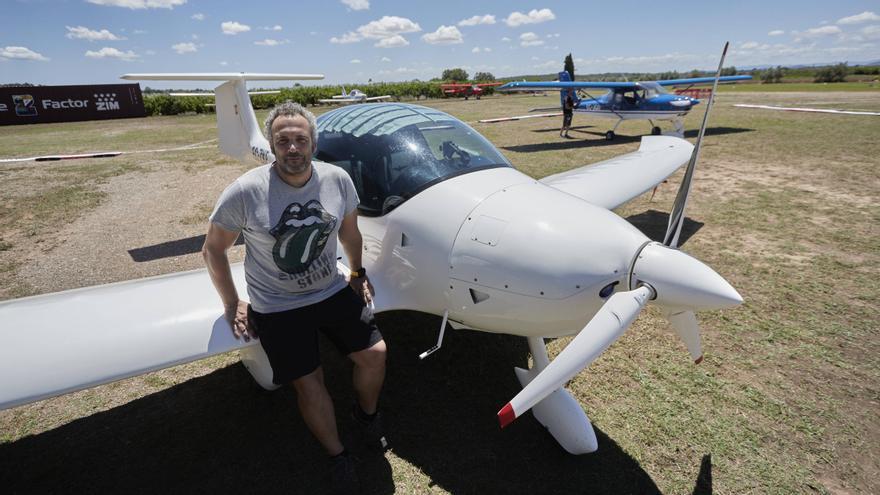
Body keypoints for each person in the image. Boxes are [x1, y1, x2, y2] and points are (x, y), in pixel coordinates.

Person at [202, 101, 387, 495]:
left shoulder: (337, 180)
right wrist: (232, 303)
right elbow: (213, 249)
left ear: (313, 144)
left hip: (331, 289)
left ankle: (366, 417)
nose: (292, 148)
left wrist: (356, 273)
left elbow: (349, 233)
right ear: (272, 145)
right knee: (309, 382)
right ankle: (338, 456)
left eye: (300, 140)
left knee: (375, 355)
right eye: (282, 141)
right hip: (278, 305)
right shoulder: (245, 191)